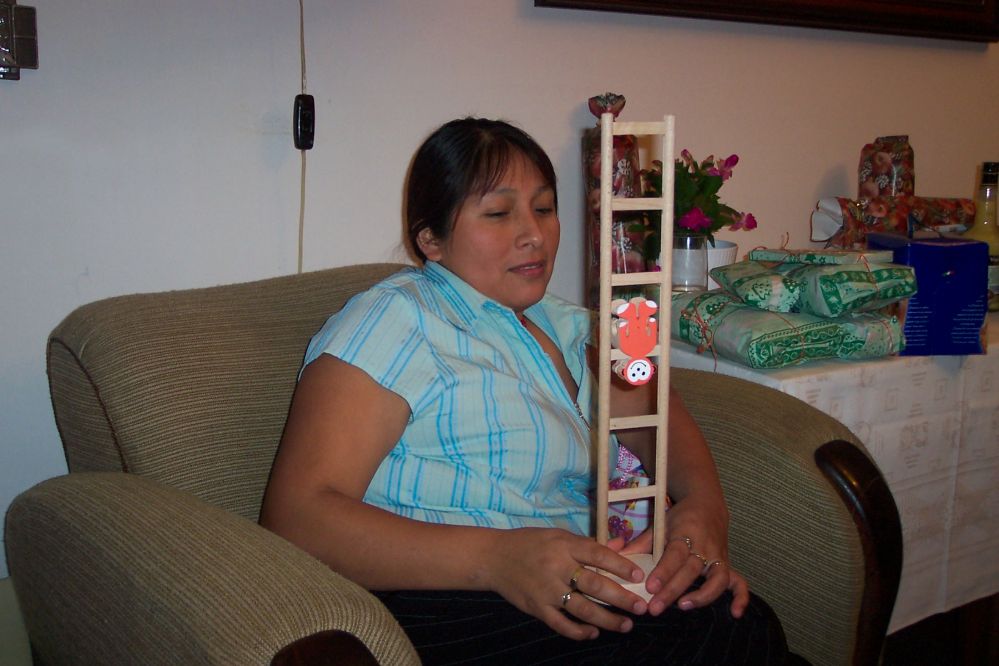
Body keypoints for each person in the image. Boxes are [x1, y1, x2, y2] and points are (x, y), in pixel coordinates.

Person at [260, 117, 791, 664]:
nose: (534, 233)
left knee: (740, 622)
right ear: (430, 239)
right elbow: (295, 516)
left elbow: (657, 412)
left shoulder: (575, 326)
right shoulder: (395, 319)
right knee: (714, 642)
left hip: (572, 578)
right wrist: (497, 558)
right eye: (498, 213)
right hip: (442, 594)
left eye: (544, 208)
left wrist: (704, 508)